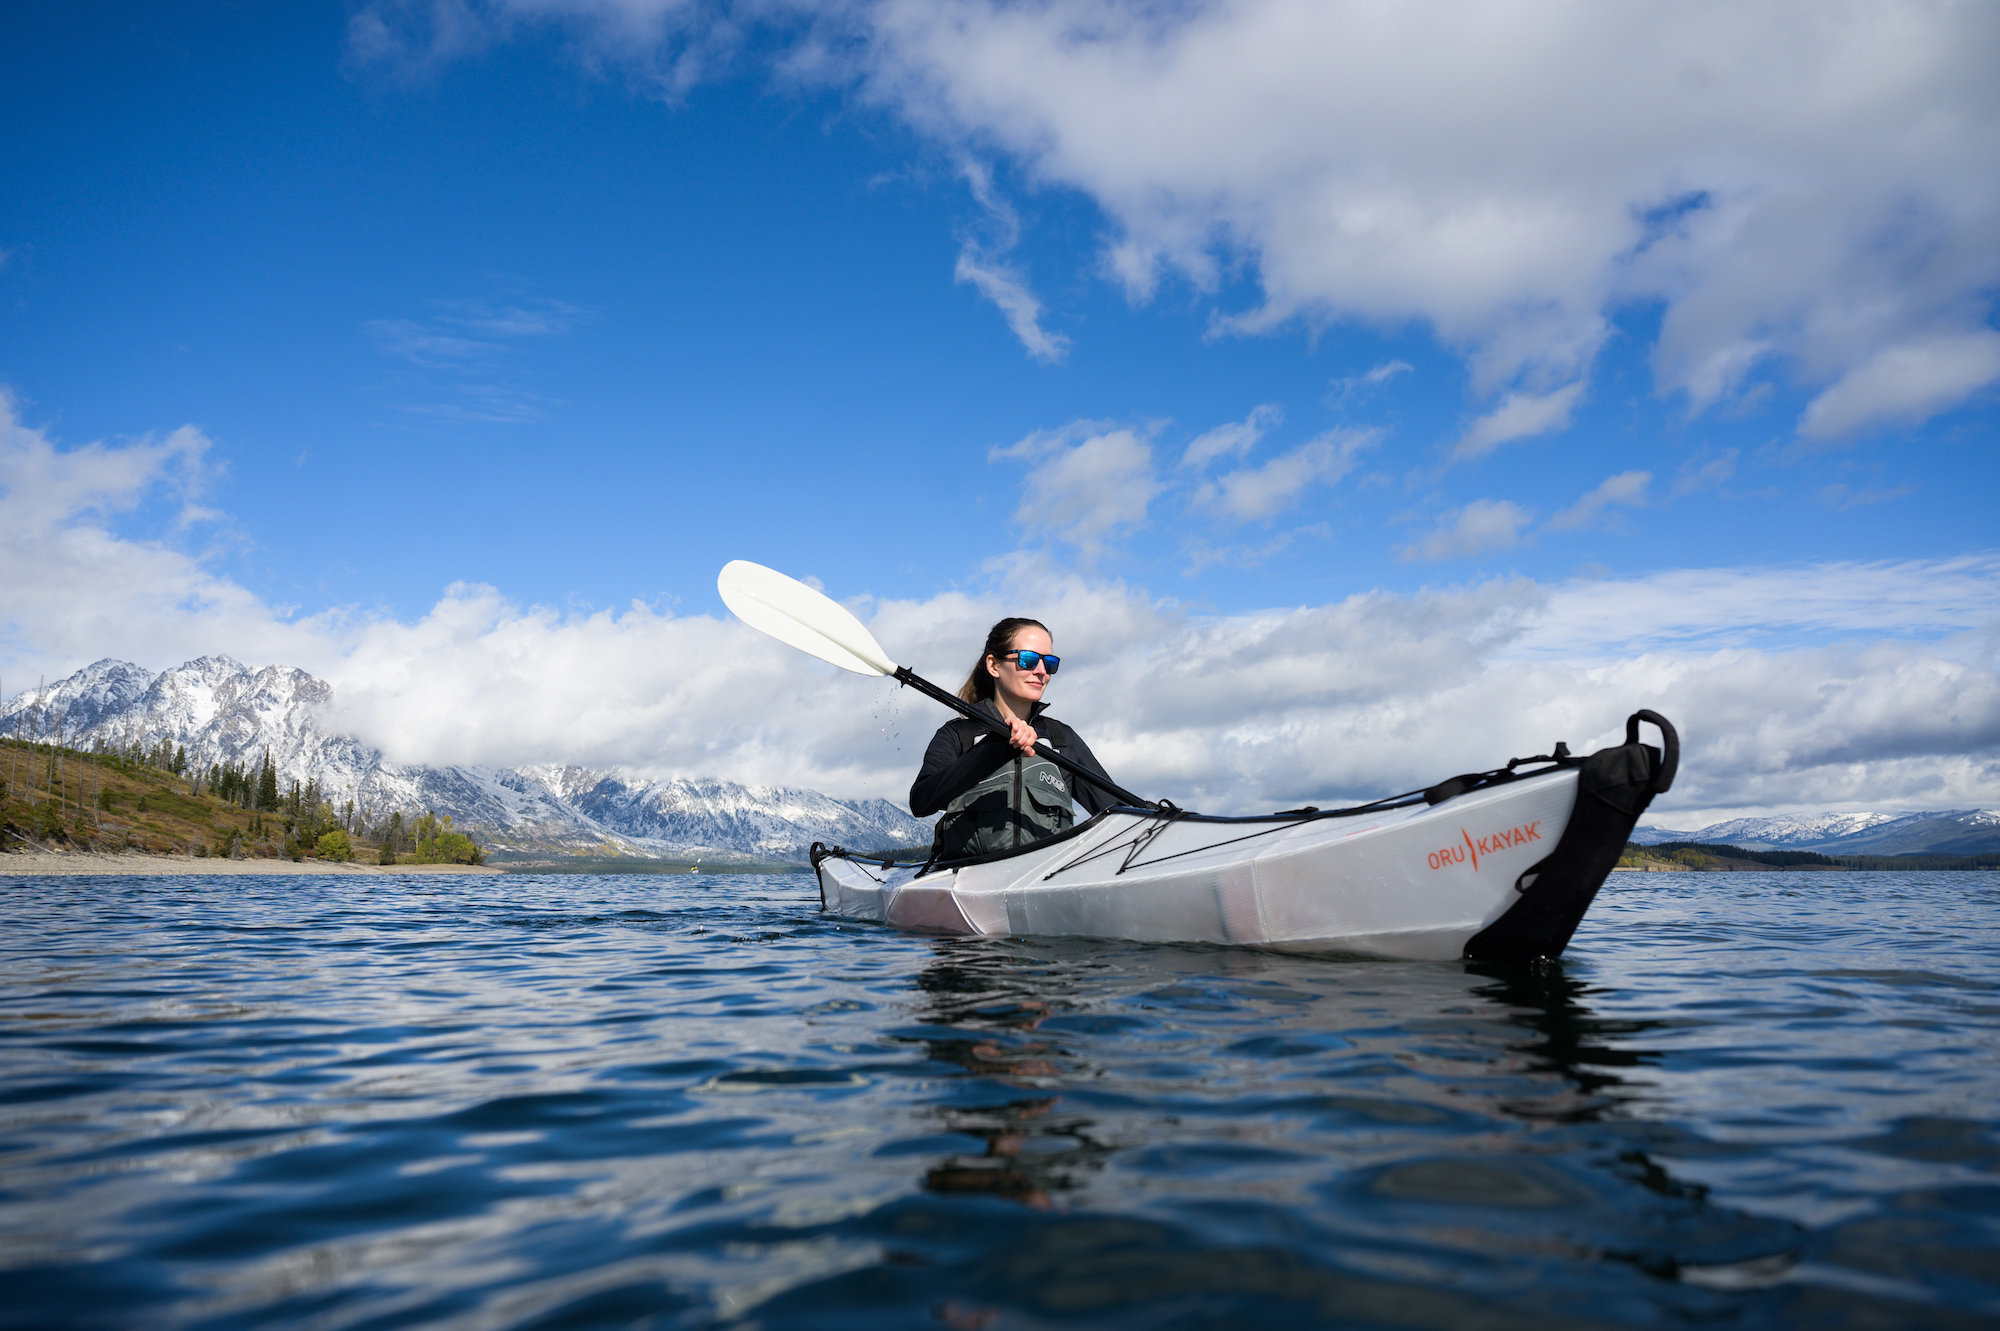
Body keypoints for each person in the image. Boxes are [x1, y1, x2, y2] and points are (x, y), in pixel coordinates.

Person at [909, 617, 1120, 860]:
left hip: (1042, 879)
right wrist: (996, 748)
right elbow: (921, 801)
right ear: (994, 666)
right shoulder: (958, 734)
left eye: (1049, 662)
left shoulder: (1061, 739)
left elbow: (1116, 812)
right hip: (970, 878)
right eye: (1028, 660)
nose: (1041, 671)